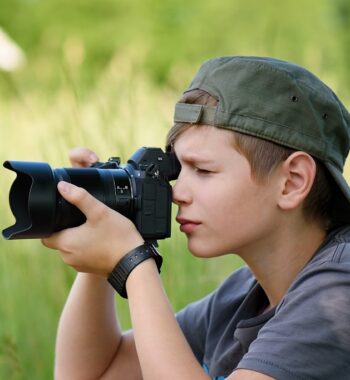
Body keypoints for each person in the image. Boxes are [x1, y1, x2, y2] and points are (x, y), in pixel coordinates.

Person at [42, 56, 350, 379]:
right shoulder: (240, 299)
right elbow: (93, 374)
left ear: (292, 181)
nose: (178, 192)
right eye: (179, 170)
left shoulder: (337, 295)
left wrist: (132, 262)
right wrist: (102, 220)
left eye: (202, 170)